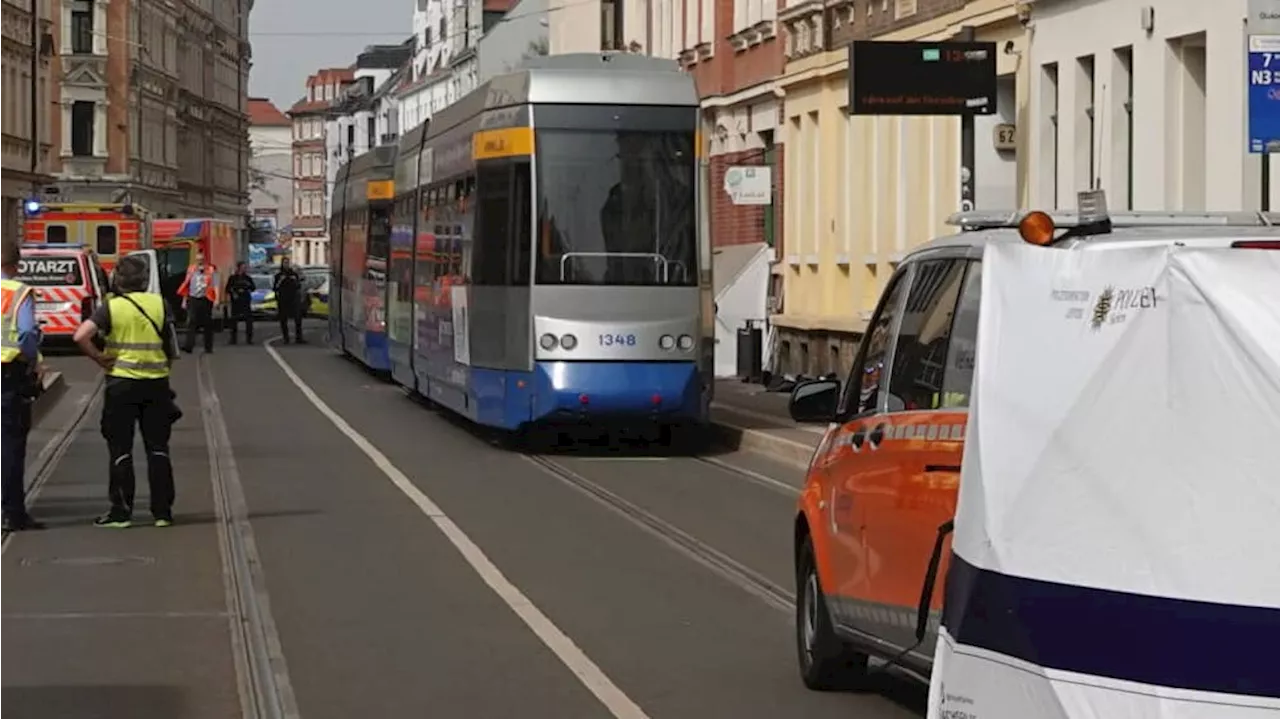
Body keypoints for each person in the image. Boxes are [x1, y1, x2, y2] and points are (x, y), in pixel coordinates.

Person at [73, 255, 180, 529]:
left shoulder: (112, 307)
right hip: (156, 384)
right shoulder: (160, 304)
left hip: (121, 384)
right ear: (144, 280)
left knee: (120, 447)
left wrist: (99, 358)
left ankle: (121, 511)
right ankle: (163, 512)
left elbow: (80, 336)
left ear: (118, 280)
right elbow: (172, 347)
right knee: (158, 448)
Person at [0, 243, 44, 532]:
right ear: (16, 265)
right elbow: (27, 332)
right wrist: (32, 358)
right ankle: (13, 513)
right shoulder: (18, 293)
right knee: (11, 445)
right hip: (8, 376)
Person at [177, 249, 218, 354]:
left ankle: (208, 347)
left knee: (207, 324)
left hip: (206, 298)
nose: (199, 261)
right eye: (198, 259)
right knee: (191, 322)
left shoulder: (211, 269)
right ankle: (189, 346)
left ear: (205, 260)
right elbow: (187, 285)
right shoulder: (191, 269)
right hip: (193, 298)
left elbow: (215, 285)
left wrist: (216, 299)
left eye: (201, 260)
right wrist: (184, 300)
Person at [273, 258, 305, 344]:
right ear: (282, 264)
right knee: (283, 319)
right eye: (285, 263)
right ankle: (286, 338)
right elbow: (275, 288)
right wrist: (281, 280)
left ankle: (299, 338)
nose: (286, 264)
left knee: (298, 319)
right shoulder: (278, 275)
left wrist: (295, 280)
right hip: (283, 299)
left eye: (287, 263)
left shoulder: (293, 274)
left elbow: (298, 285)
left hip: (293, 298)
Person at [225, 261, 255, 345]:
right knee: (234, 321)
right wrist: (233, 293)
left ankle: (249, 339)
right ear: (238, 268)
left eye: (245, 267)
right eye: (242, 267)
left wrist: (248, 287)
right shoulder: (233, 278)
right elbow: (227, 289)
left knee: (249, 321)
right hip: (236, 302)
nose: (244, 269)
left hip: (245, 301)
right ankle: (233, 339)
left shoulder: (248, 278)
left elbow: (253, 288)